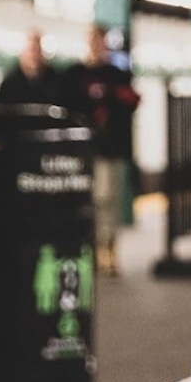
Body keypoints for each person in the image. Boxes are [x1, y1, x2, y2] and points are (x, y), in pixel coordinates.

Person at [64, 25, 140, 275]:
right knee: (92, 200)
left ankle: (109, 248)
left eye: (99, 40)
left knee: (109, 198)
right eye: (91, 40)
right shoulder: (75, 75)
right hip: (85, 148)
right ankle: (94, 247)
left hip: (111, 147)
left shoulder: (117, 75)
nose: (95, 45)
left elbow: (132, 101)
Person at [0, 30, 63, 105]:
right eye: (31, 50)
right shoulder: (11, 82)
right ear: (22, 53)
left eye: (37, 50)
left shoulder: (54, 80)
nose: (33, 55)